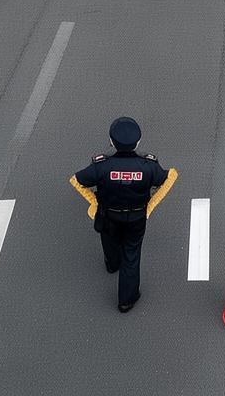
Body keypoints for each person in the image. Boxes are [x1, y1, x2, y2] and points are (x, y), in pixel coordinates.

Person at [71, 117, 173, 312]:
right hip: (136, 218)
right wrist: (149, 204)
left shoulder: (101, 166)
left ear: (111, 141)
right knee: (132, 255)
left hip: (108, 215)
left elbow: (77, 180)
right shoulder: (149, 166)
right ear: (138, 142)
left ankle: (112, 264)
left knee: (108, 239)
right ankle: (126, 300)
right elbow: (165, 179)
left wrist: (94, 200)